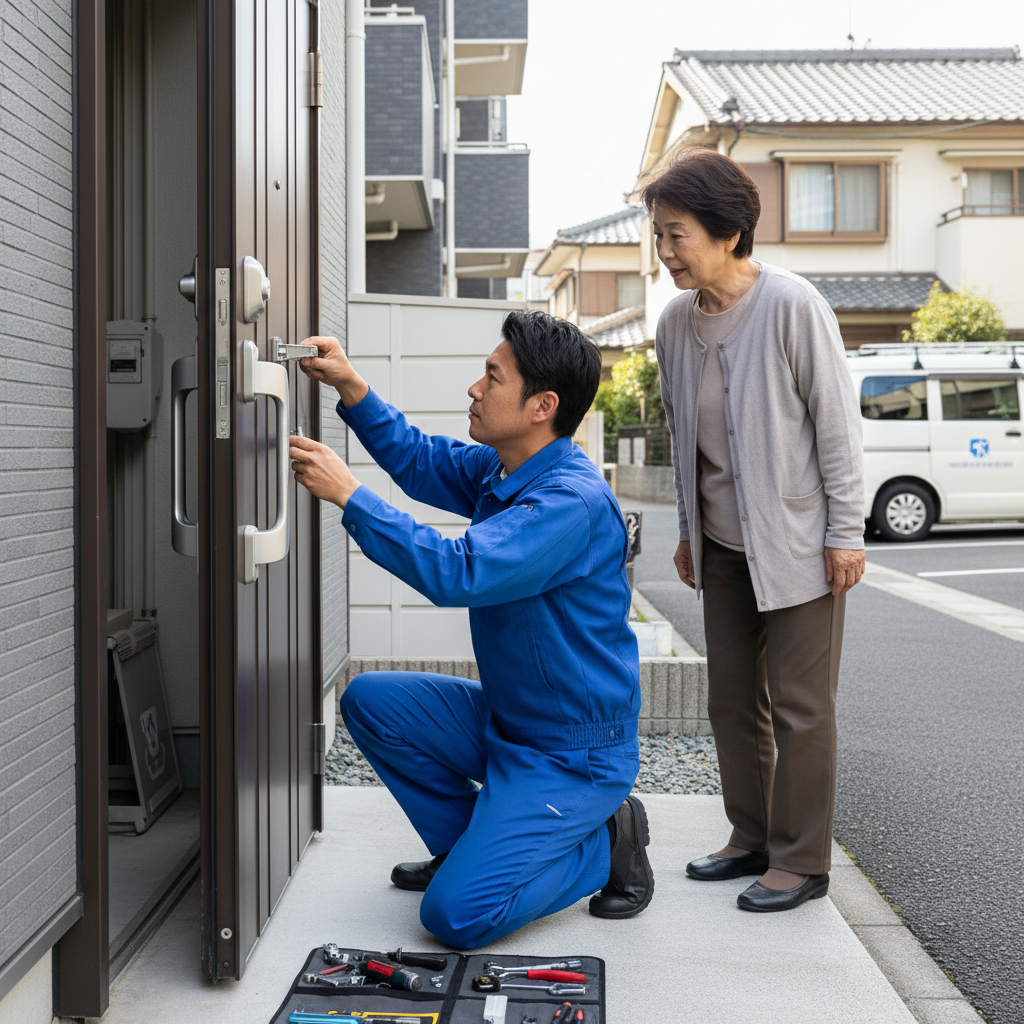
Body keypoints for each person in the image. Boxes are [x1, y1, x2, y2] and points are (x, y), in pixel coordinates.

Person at [288, 310, 653, 948]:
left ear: (542, 406)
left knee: (454, 918)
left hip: (571, 753)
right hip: (509, 722)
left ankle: (604, 846)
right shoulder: (504, 469)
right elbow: (421, 459)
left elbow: (459, 572)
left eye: (492, 377)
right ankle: (470, 852)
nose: (474, 389)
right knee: (371, 701)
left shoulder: (568, 504)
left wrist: (350, 495)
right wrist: (350, 384)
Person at [645, 150, 865, 912]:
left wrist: (847, 532)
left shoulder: (793, 304)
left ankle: (802, 861)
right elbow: (684, 441)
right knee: (732, 701)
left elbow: (836, 428)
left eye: (678, 235)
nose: (666, 252)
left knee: (802, 707)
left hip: (801, 543)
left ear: (730, 231)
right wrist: (687, 531)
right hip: (722, 545)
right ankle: (750, 837)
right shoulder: (676, 322)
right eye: (659, 236)